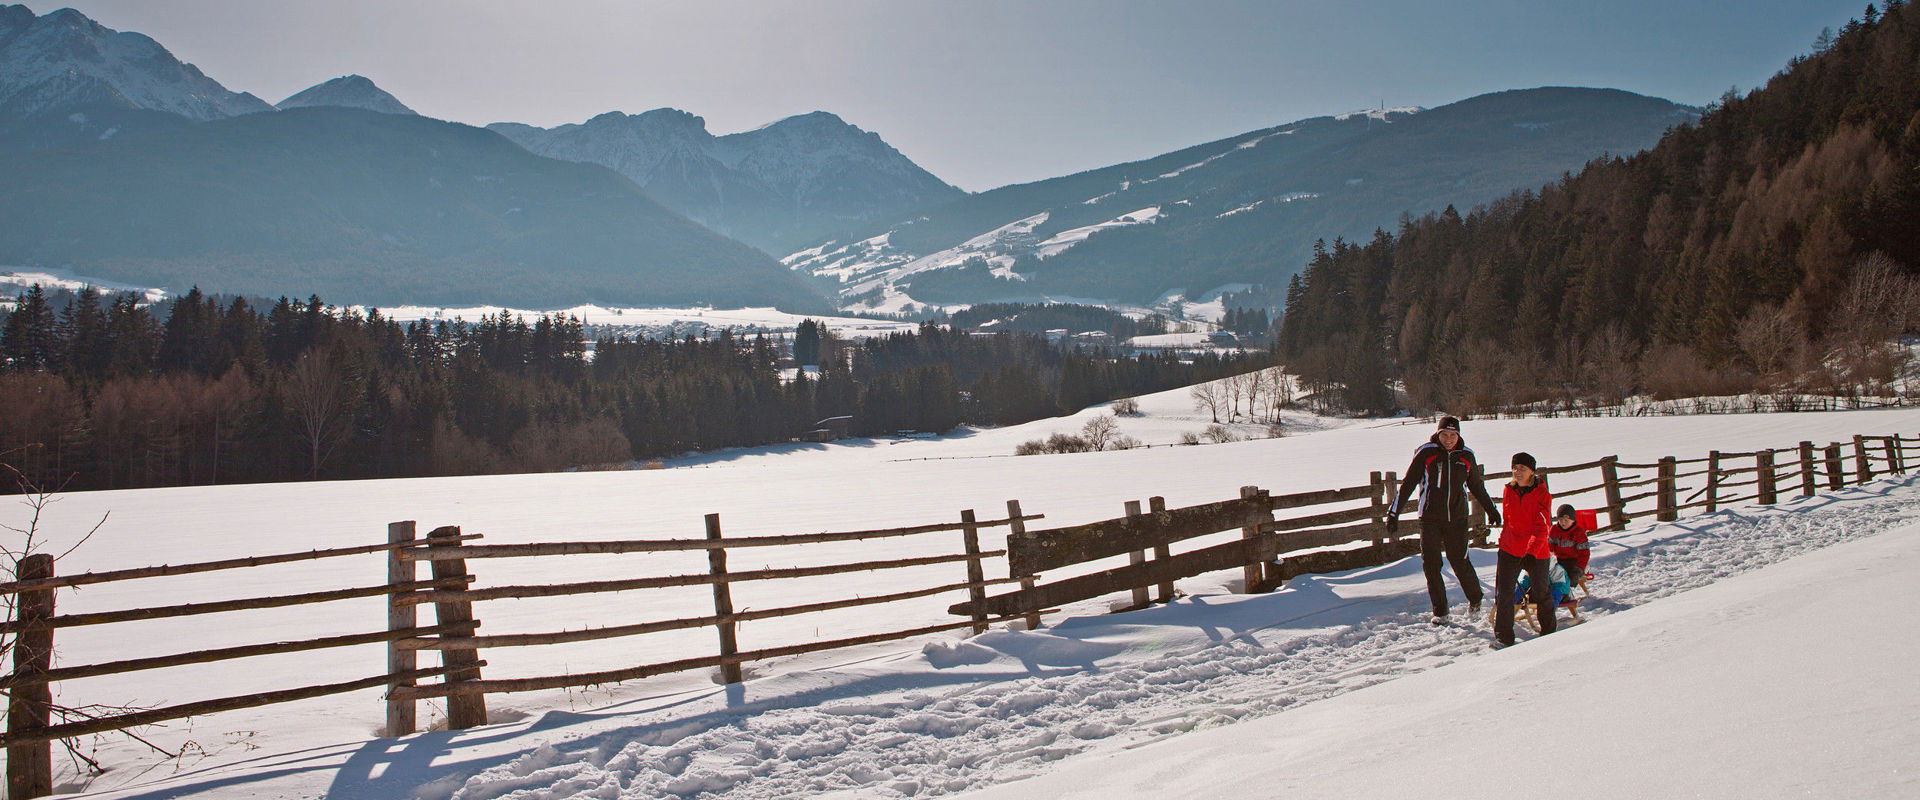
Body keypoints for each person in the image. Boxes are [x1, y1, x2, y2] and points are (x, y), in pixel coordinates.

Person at [1387, 416, 1499, 623]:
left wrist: (1491, 510)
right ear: (1438, 434)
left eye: (1453, 435)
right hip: (1429, 518)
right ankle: (1441, 612)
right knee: (1431, 564)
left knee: (1459, 561)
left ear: (1459, 435)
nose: (1448, 439)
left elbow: (1476, 485)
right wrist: (1394, 513)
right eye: (1444, 434)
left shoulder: (1466, 456)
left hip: (1457, 518)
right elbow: (1409, 484)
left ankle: (1475, 599)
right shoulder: (1426, 453)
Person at [1494, 452, 1557, 646]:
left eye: (1522, 468)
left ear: (1532, 471)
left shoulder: (1542, 493)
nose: (1518, 472)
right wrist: (1504, 541)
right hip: (1510, 547)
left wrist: (1530, 551)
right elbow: (1509, 520)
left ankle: (1549, 632)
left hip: (1536, 550)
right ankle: (1504, 638)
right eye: (1515, 468)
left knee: (1540, 592)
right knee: (1503, 593)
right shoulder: (1508, 490)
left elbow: (1541, 526)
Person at [1548, 503, 1591, 590]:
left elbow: (1584, 554)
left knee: (1566, 576)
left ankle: (1565, 593)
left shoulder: (1578, 533)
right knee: (1552, 574)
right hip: (1558, 560)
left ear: (1573, 521)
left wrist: (1579, 569)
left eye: (1566, 520)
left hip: (1573, 562)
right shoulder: (1554, 530)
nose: (1563, 523)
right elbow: (1548, 547)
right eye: (1560, 520)